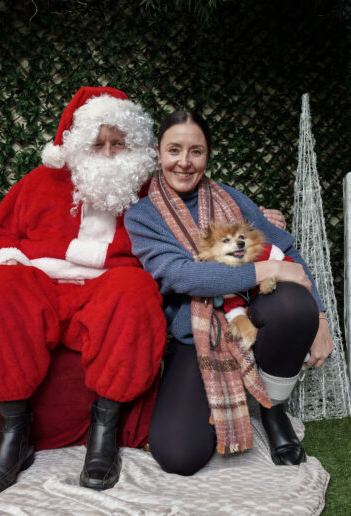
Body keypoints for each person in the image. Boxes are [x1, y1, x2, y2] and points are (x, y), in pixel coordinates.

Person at [0, 86, 167, 498]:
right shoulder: (39, 182)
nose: (108, 154)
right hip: (41, 287)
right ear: (76, 145)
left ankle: (104, 432)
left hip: (106, 291)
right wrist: (15, 261)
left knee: (137, 288)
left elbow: (181, 236)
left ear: (135, 146)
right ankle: (14, 436)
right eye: (98, 144)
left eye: (119, 144)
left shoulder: (149, 192)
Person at [124, 110, 334, 476]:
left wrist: (319, 316)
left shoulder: (230, 199)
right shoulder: (143, 215)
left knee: (294, 306)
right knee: (178, 455)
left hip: (252, 312)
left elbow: (286, 248)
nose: (184, 162)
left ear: (207, 155)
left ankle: (272, 408)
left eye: (196, 151)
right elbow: (181, 275)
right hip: (195, 335)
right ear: (158, 152)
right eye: (174, 150)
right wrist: (267, 269)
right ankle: (225, 389)